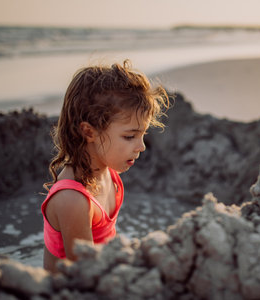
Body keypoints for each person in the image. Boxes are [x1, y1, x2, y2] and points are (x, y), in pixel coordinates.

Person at [41, 60, 169, 272]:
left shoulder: (108, 173)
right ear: (89, 132)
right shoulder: (72, 200)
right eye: (130, 136)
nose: (142, 146)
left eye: (143, 135)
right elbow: (85, 275)